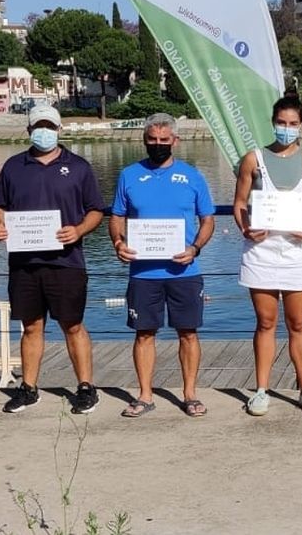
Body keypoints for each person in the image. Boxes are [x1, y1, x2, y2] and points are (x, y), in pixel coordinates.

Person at [0, 105, 104, 414]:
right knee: (30, 327)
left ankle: (86, 387)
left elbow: (96, 211)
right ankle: (28, 388)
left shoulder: (79, 166)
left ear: (58, 129)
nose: (43, 131)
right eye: (38, 126)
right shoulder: (13, 166)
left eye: (49, 126)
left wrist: (78, 230)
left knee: (73, 325)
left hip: (67, 262)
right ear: (28, 131)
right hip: (24, 263)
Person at [110, 113, 217, 418]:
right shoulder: (128, 175)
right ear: (144, 140)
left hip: (185, 270)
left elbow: (207, 219)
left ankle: (191, 394)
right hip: (143, 273)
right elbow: (117, 216)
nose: (157, 145)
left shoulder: (193, 176)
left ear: (175, 141)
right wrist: (118, 243)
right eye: (152, 140)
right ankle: (144, 395)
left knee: (188, 333)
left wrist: (195, 247)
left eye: (163, 140)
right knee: (144, 334)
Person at [234, 95, 302, 416]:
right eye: (281, 123)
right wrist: (246, 228)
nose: (287, 129)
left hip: (297, 251)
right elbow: (240, 203)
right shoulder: (253, 159)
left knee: (298, 323)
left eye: (293, 124)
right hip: (261, 251)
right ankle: (261, 390)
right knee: (265, 322)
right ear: (273, 122)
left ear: (301, 125)